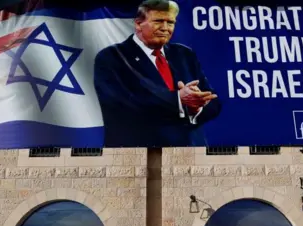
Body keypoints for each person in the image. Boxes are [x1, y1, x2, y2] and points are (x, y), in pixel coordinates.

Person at [94, 0, 222, 147]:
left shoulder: (184, 55)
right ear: (138, 24)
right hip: (137, 155)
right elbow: (124, 104)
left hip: (190, 153)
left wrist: (196, 107)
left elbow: (213, 102)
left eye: (170, 22)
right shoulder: (111, 57)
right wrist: (179, 100)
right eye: (158, 21)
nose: (165, 28)